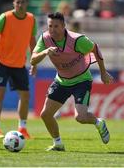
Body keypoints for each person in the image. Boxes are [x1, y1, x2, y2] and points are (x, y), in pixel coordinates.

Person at [30, 12, 114, 151]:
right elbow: (33, 59)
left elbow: (95, 49)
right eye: (50, 26)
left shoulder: (77, 40)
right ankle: (58, 144)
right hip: (61, 81)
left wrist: (103, 73)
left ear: (63, 26)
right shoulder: (45, 39)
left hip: (81, 80)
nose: (52, 30)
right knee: (45, 114)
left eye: (56, 26)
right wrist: (45, 52)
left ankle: (98, 123)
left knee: (80, 117)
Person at [0, 0, 37, 139]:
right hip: (1, 62)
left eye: (22, 2)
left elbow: (32, 41)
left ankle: (23, 128)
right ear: (13, 3)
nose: (20, 5)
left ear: (27, 4)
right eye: (17, 2)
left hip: (19, 64)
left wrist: (34, 61)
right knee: (0, 94)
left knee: (25, 96)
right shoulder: (5, 18)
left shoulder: (31, 19)